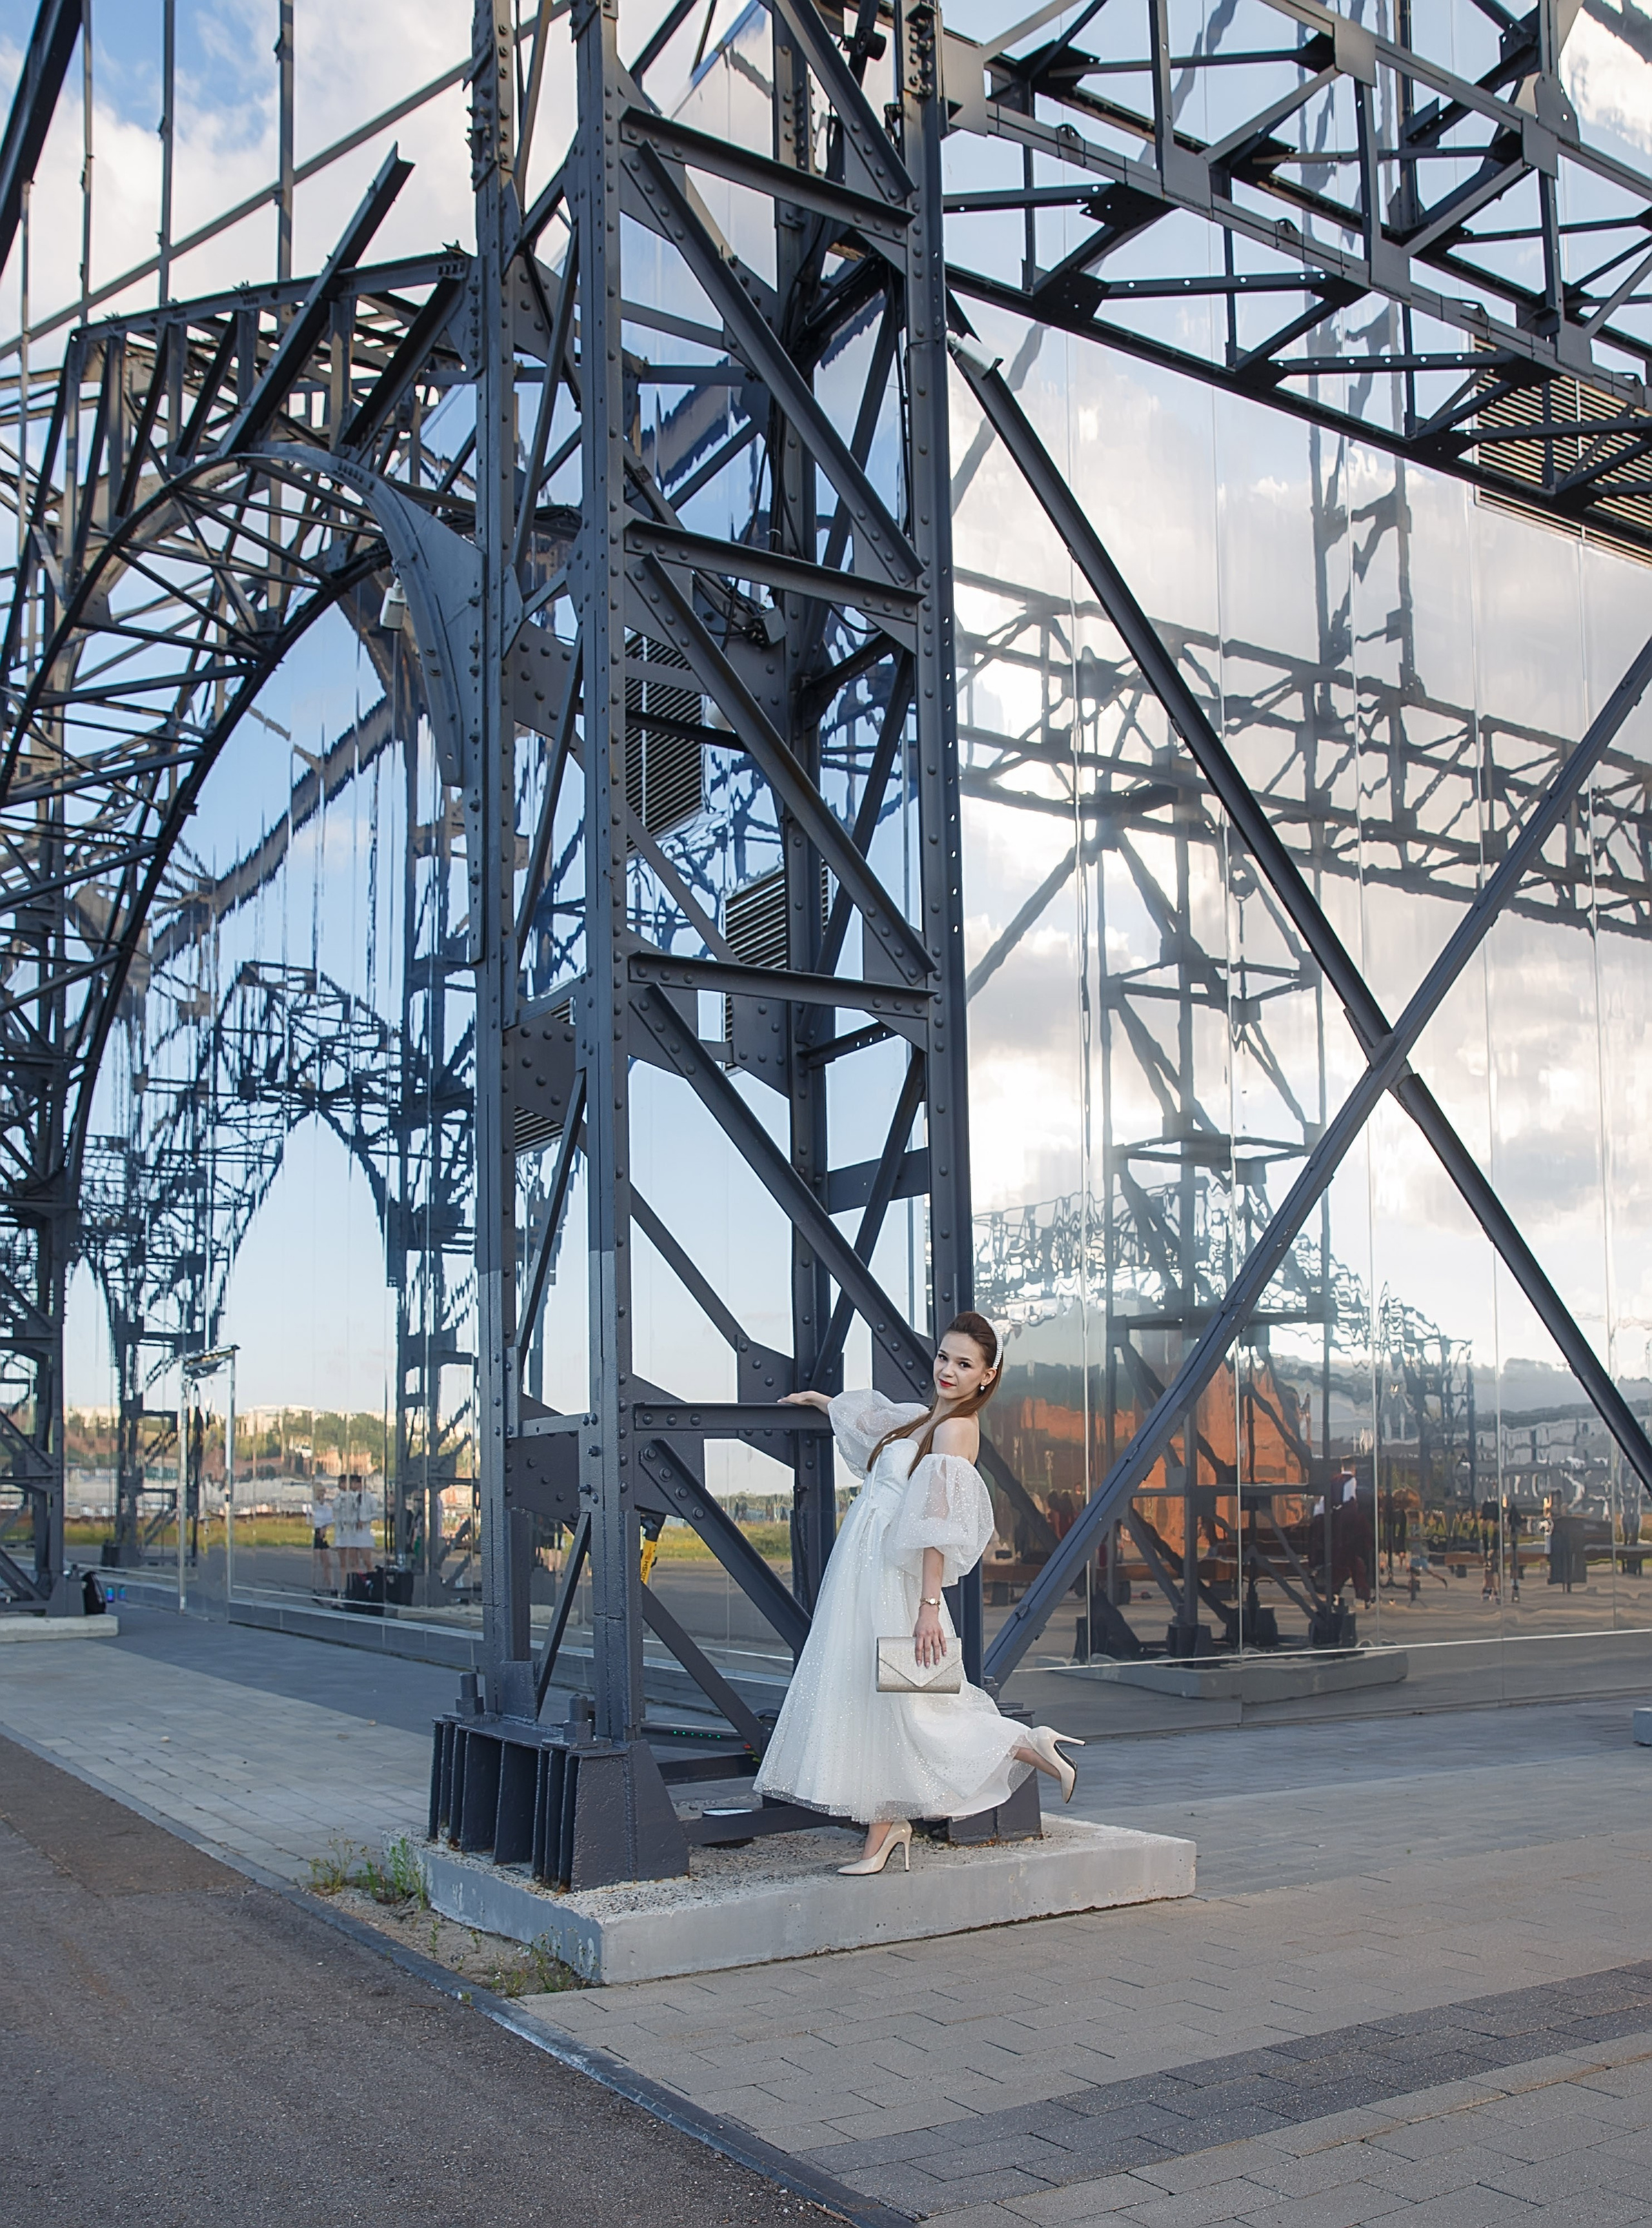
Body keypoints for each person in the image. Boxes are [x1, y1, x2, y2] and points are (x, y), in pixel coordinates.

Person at [754, 1311, 1083, 1876]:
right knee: (878, 1699)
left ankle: (1026, 1745)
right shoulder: (926, 1418)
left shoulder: (957, 1431)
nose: (948, 1371)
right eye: (944, 1357)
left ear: (987, 1376)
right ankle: (884, 1830)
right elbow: (872, 1422)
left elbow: (939, 1522)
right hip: (864, 1570)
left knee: (918, 1706)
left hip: (896, 1578)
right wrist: (821, 1401)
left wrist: (930, 1608)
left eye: (964, 1364)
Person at [308, 1482, 334, 1593]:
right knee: (316, 1562)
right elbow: (311, 1519)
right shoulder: (313, 1506)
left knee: (327, 1562)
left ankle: (331, 1585)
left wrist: (325, 1527)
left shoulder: (327, 1507)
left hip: (323, 1533)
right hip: (316, 1532)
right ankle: (315, 1585)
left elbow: (330, 1519)